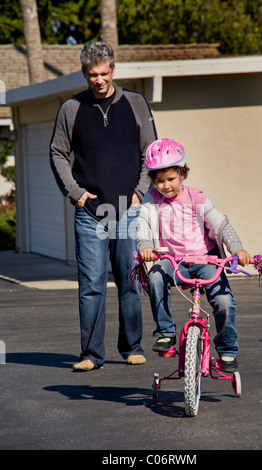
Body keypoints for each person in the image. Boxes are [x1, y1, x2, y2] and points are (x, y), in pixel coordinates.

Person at [50, 41, 157, 371]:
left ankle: (132, 347)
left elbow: (151, 153)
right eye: (92, 74)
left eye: (104, 72)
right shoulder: (71, 109)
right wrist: (76, 193)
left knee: (128, 280)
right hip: (90, 212)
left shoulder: (135, 103)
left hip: (127, 208)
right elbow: (57, 153)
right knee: (92, 285)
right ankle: (91, 354)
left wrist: (139, 193)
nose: (98, 79)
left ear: (113, 69)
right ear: (83, 72)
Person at [137, 138, 252, 372]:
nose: (165, 185)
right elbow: (143, 224)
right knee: (156, 277)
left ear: (182, 173)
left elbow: (220, 224)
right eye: (159, 181)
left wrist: (237, 248)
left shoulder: (195, 197)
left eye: (170, 179)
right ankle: (165, 334)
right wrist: (146, 246)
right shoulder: (152, 198)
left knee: (223, 301)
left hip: (205, 259)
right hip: (172, 261)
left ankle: (228, 351)